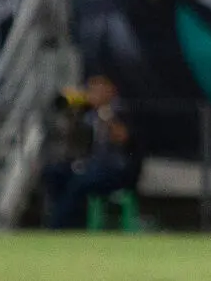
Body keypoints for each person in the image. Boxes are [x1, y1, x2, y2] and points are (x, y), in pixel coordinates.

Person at [42, 76, 140, 229]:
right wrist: (74, 111)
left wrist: (106, 115)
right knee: (55, 172)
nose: (94, 93)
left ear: (110, 90)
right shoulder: (88, 113)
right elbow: (76, 142)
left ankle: (58, 227)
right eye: (92, 90)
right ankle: (67, 222)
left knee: (80, 182)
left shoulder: (121, 109)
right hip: (91, 165)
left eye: (98, 90)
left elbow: (122, 138)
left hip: (117, 169)